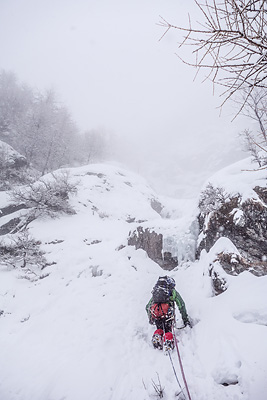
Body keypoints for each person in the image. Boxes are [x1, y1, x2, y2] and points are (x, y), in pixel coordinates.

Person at [146, 276, 190, 351]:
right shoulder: (172, 292)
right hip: (168, 315)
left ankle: (157, 336)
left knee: (159, 328)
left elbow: (148, 306)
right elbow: (181, 305)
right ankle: (168, 341)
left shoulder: (157, 292)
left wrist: (151, 318)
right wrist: (185, 319)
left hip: (157, 314)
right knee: (168, 330)